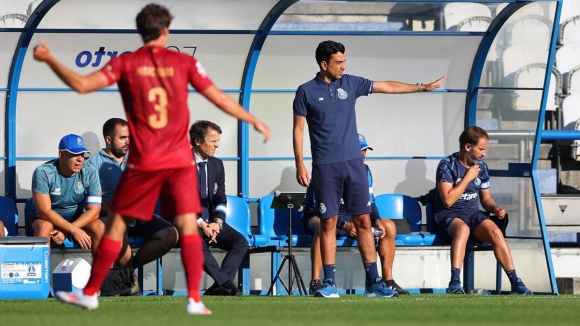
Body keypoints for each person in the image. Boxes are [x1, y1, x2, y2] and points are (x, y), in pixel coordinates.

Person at [34, 3, 269, 315]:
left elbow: (81, 84)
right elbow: (220, 98)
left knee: (117, 224)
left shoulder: (129, 63)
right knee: (187, 225)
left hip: (144, 161)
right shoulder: (184, 62)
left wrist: (49, 58)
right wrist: (252, 119)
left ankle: (91, 292)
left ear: (140, 31)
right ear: (166, 30)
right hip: (175, 160)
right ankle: (195, 300)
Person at [293, 39, 445, 298]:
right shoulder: (306, 91)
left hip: (354, 165)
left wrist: (420, 87)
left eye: (344, 61)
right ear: (323, 63)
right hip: (325, 167)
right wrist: (300, 163)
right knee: (328, 223)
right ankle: (329, 283)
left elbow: (386, 86)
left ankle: (374, 282)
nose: (343, 66)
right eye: (338, 62)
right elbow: (298, 129)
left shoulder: (351, 83)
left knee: (364, 220)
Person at [303, 134, 409, 296]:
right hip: (321, 216)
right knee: (321, 225)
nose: (363, 154)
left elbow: (370, 201)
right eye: (359, 150)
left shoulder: (364, 171)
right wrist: (344, 225)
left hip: (351, 216)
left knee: (389, 226)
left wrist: (378, 221)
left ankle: (387, 281)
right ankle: (316, 281)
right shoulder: (327, 168)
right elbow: (321, 209)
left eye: (365, 150)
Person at [434, 126, 533, 295]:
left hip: (472, 214)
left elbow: (485, 199)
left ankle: (516, 282)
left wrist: (494, 208)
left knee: (496, 232)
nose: (483, 153)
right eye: (481, 149)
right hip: (449, 215)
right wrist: (467, 178)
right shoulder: (446, 165)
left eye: (485, 149)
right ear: (467, 147)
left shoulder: (482, 168)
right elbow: (448, 200)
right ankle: (455, 283)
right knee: (463, 229)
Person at [86, 118, 179, 296]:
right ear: (108, 139)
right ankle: (125, 282)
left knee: (170, 234)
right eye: (122, 138)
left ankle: (124, 274)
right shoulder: (93, 165)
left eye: (129, 137)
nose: (128, 142)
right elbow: (94, 202)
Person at [190, 120, 249, 296]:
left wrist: (217, 222)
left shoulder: (217, 164)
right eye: (213, 141)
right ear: (197, 141)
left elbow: (220, 198)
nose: (217, 145)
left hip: (211, 222)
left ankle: (219, 287)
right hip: (187, 221)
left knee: (240, 242)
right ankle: (226, 283)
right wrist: (201, 224)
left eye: (218, 140)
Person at [27, 134, 103, 254]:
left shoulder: (90, 172)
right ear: (61, 154)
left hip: (77, 219)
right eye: (74, 154)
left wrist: (67, 230)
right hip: (47, 219)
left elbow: (94, 211)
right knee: (44, 227)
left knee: (99, 227)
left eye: (82, 155)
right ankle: (43, 272)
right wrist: (73, 229)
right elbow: (44, 212)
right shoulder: (43, 172)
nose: (80, 159)